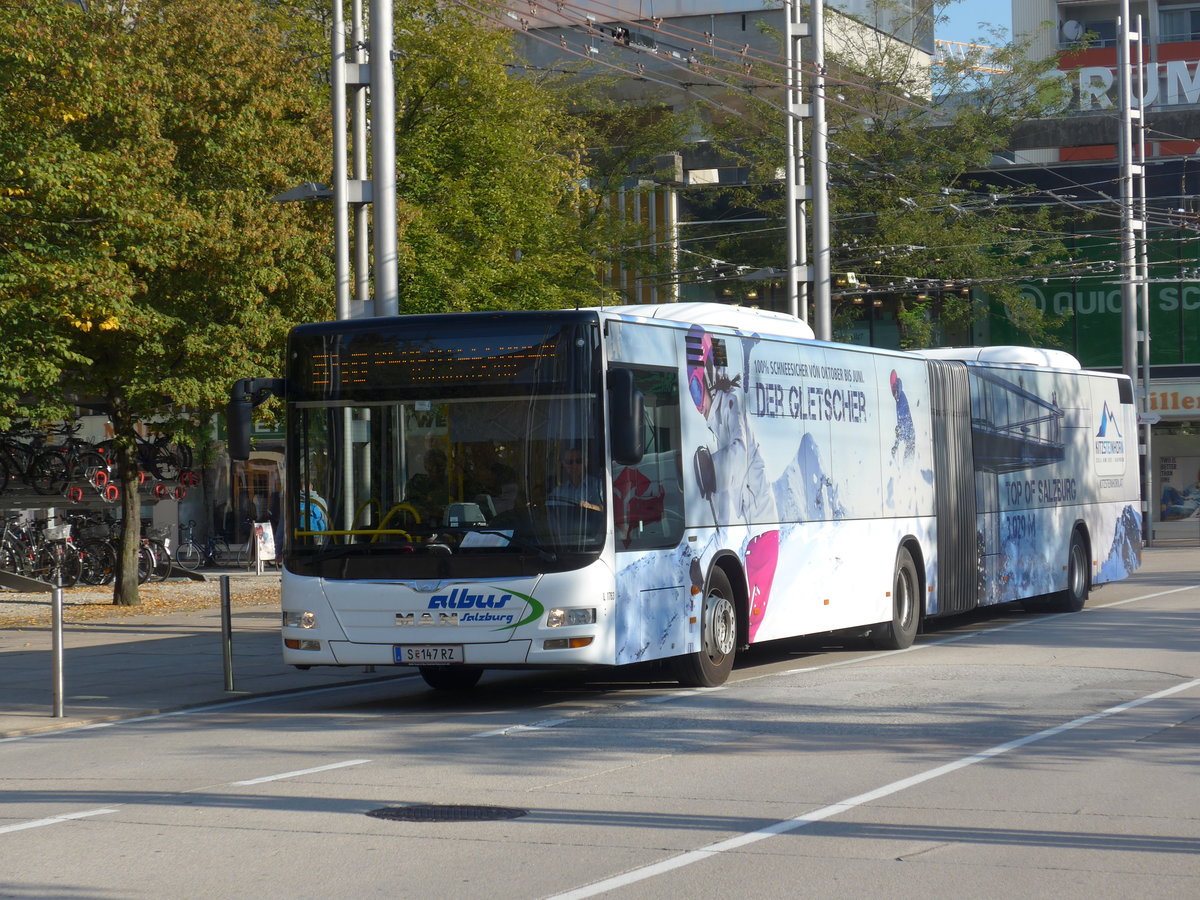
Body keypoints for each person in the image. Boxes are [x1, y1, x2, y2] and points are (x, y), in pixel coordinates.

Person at [547, 445, 602, 511]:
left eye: (578, 461)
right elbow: (548, 510)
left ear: (585, 462)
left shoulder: (599, 486)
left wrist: (592, 507)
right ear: (564, 465)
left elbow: (609, 510)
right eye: (569, 462)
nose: (574, 465)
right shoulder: (558, 492)